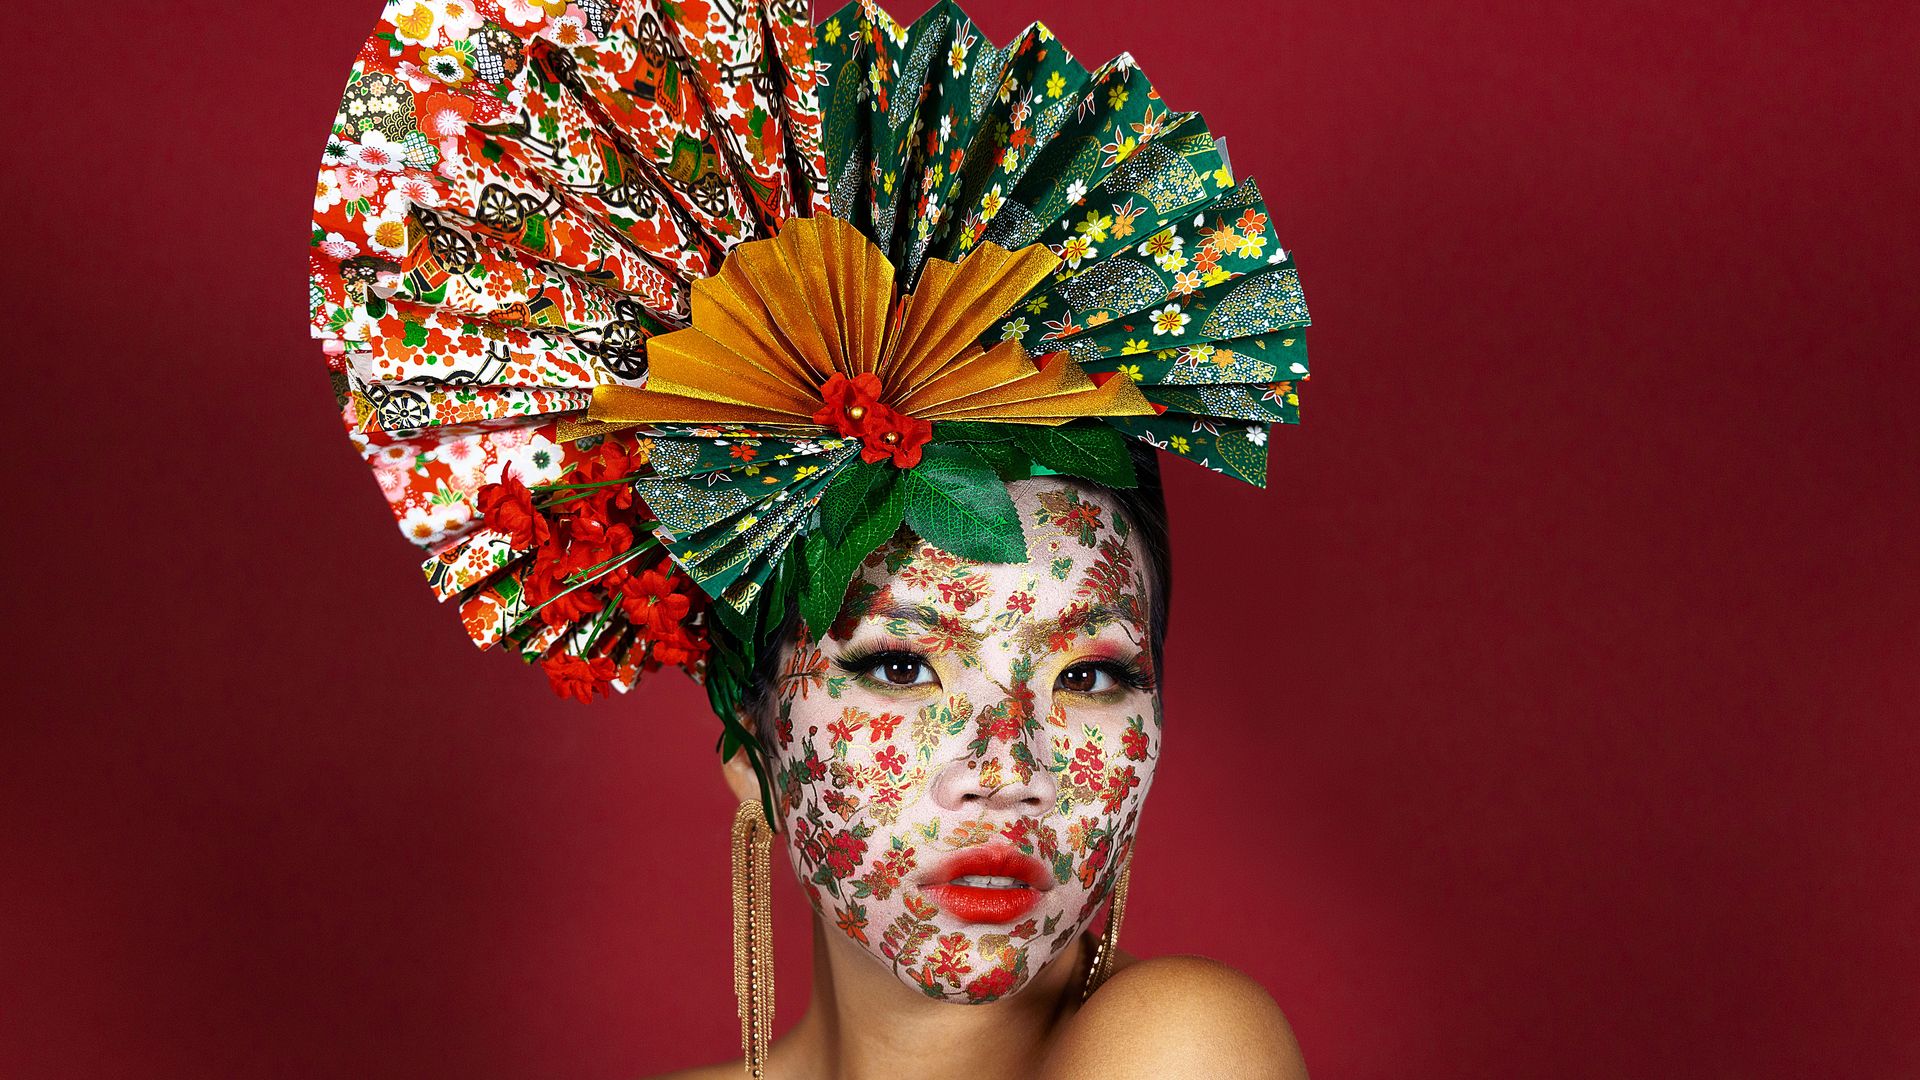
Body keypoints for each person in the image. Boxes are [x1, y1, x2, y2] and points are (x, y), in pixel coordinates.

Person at [308, 0, 1316, 1074]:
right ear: (753, 749)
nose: (1007, 767)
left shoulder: (1187, 1047)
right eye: (900, 662)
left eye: (1091, 675)